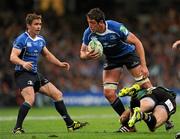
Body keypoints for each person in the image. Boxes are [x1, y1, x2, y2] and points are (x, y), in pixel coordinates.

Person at [10, 13, 87, 134]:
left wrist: (59, 63)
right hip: (23, 73)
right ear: (28, 25)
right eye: (36, 24)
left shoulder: (41, 40)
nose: (39, 26)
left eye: (40, 24)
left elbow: (47, 54)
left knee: (57, 94)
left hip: (35, 74)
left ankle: (70, 124)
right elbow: (12, 57)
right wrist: (23, 63)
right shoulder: (22, 39)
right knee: (30, 99)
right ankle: (17, 128)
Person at [80, 8, 152, 132]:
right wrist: (86, 56)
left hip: (128, 55)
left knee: (147, 86)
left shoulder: (116, 27)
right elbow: (82, 52)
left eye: (92, 23)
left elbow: (137, 42)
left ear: (101, 22)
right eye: (88, 22)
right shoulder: (88, 33)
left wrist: (144, 65)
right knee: (109, 94)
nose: (89, 26)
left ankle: (165, 116)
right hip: (112, 59)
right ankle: (129, 124)